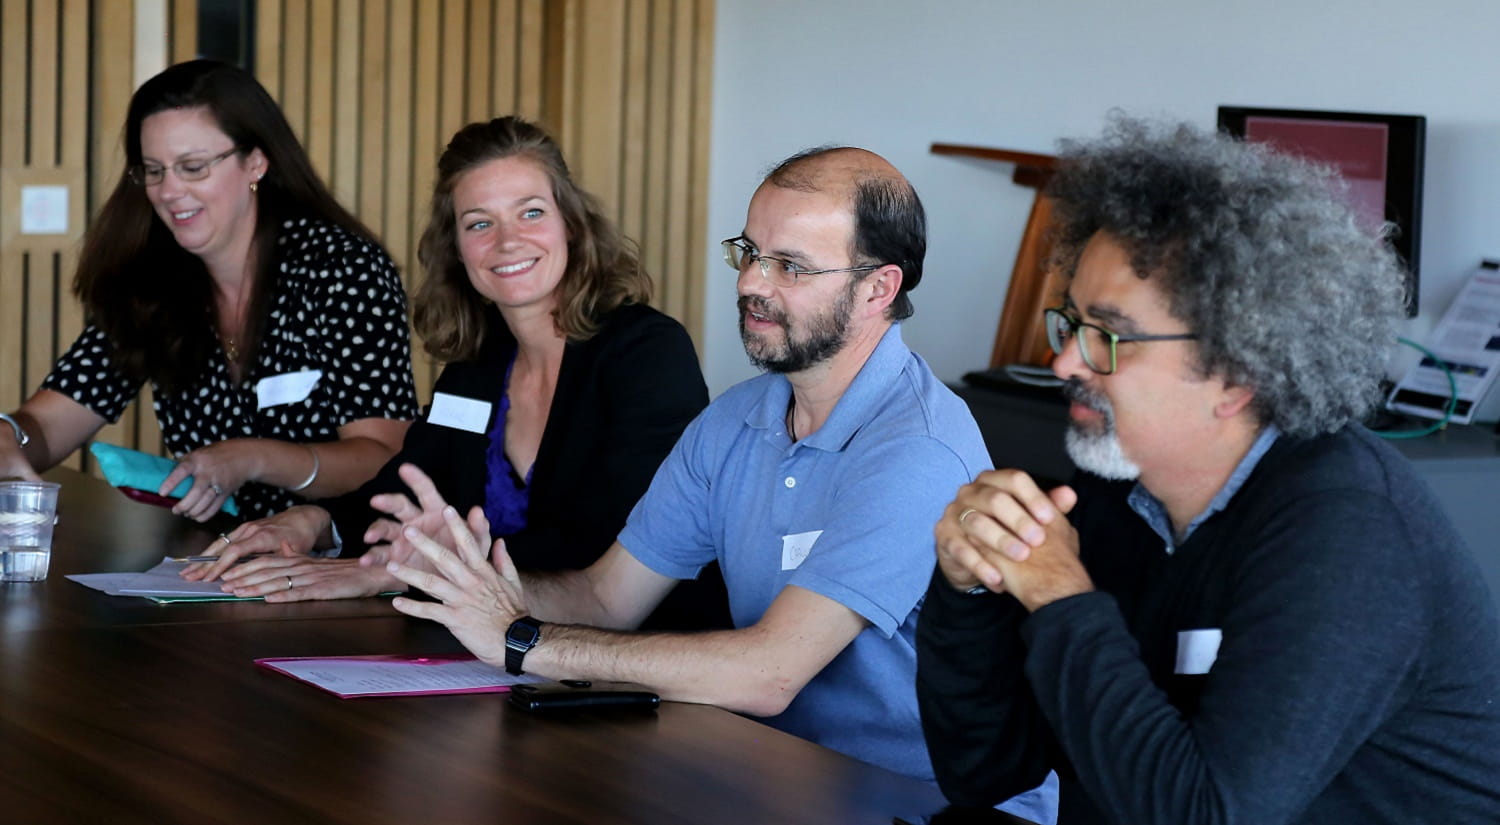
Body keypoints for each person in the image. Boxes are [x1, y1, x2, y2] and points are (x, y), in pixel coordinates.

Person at [380, 146, 1055, 823]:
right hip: (778, 775)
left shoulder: (916, 449)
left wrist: (522, 640)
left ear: (879, 288)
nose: (751, 283)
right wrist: (462, 580)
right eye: (751, 253)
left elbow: (769, 672)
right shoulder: (735, 417)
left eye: (789, 265)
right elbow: (605, 597)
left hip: (929, 804)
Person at [916, 117, 1500, 824]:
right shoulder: (1115, 489)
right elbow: (984, 770)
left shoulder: (1349, 534)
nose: (1065, 362)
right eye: (1069, 324)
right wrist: (971, 590)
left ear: (1239, 371)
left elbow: (1207, 813)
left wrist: (1063, 598)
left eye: (1108, 337)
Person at [186, 116, 727, 631]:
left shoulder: (646, 351)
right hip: (488, 649)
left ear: (572, 224)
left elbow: (611, 542)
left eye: (531, 212)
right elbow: (412, 480)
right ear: (457, 250)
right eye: (480, 223)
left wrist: (404, 570)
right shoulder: (479, 363)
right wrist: (314, 524)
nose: (508, 241)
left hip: (633, 662)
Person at [0, 60, 416, 521]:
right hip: (214, 560)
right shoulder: (153, 280)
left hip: (340, 559)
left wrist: (253, 457)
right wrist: (8, 437)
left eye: (193, 167)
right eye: (154, 171)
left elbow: (382, 455)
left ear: (255, 162)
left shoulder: (340, 269)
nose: (169, 191)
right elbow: (52, 420)